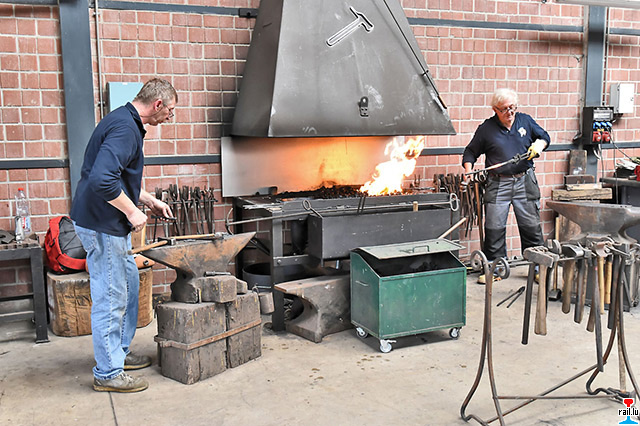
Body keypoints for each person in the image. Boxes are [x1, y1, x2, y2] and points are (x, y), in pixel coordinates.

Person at [71, 78, 176, 392]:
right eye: (170, 111)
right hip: (102, 226)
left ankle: (117, 352)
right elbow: (102, 180)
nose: (170, 117)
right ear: (157, 104)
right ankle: (108, 372)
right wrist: (132, 212)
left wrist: (148, 200)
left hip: (105, 222)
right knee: (111, 296)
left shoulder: (124, 119)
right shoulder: (126, 129)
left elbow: (114, 176)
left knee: (128, 284)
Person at [462, 88, 550, 284]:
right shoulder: (486, 129)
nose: (509, 112)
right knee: (494, 228)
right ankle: (496, 269)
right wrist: (468, 170)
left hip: (524, 181)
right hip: (497, 183)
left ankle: (538, 268)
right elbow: (470, 152)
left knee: (531, 227)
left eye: (512, 107)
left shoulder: (525, 121)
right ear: (495, 109)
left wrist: (539, 145)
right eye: (504, 109)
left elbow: (545, 137)